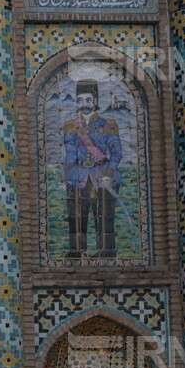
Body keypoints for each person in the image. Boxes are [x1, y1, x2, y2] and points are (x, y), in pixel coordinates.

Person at [62, 79, 122, 259]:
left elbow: (116, 152)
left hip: (102, 175)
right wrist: (65, 176)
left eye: (88, 100)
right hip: (78, 176)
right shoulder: (70, 125)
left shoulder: (108, 123)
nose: (84, 104)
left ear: (95, 101)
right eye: (80, 100)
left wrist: (109, 173)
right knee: (76, 216)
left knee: (104, 215)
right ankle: (77, 251)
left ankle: (107, 251)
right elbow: (70, 153)